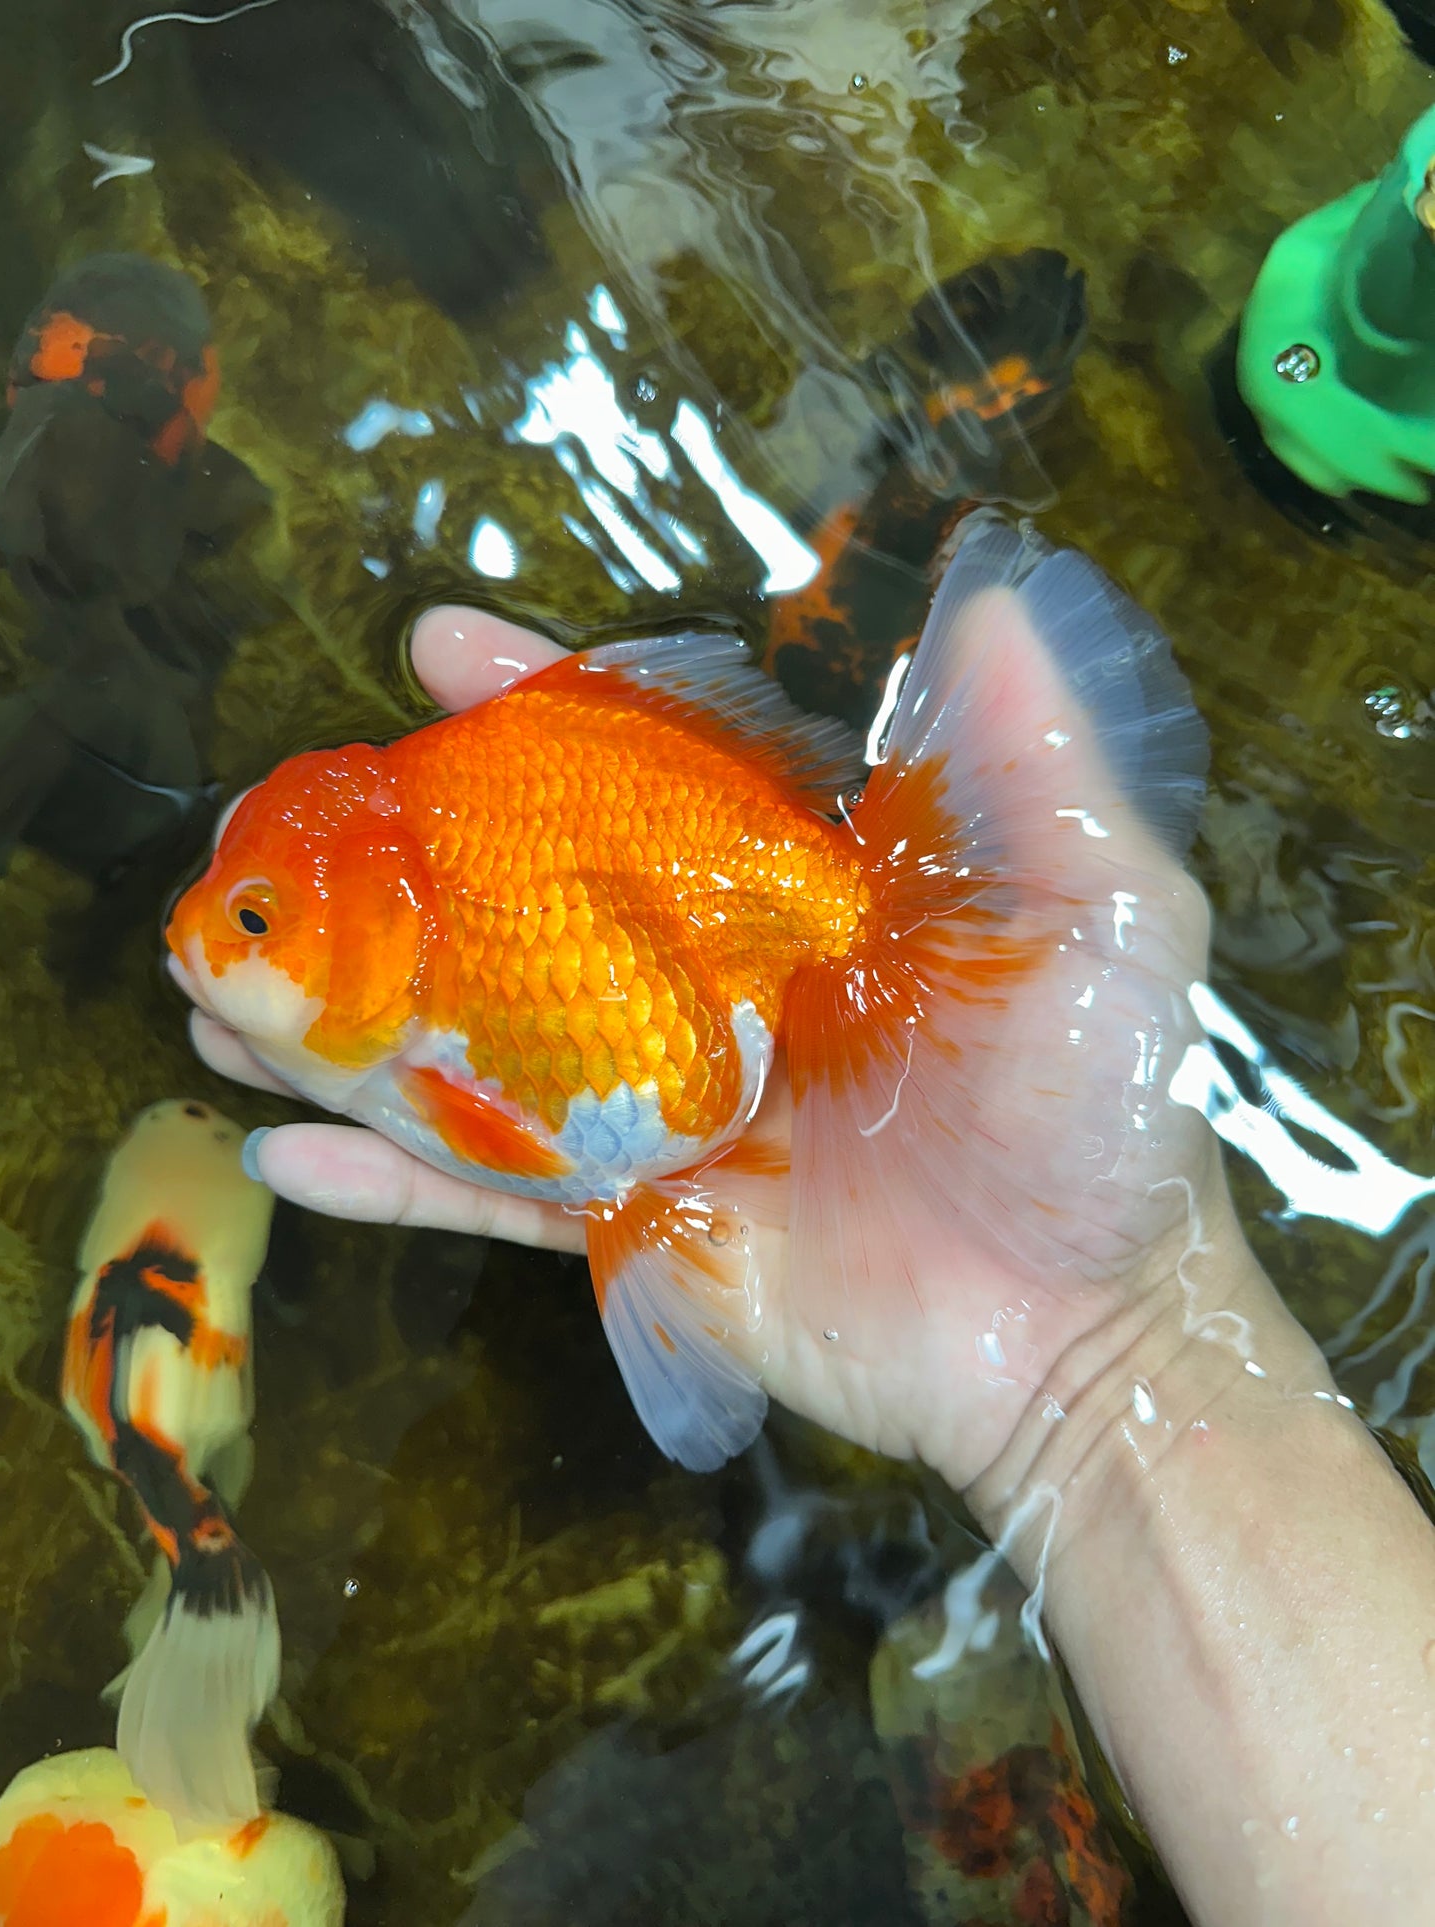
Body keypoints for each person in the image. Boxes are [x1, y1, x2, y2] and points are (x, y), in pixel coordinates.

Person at [189, 599, 1435, 1927]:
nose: (211, 940)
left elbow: (518, 1124)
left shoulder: (474, 986)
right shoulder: (409, 959)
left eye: (253, 920)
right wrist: (1116, 1365)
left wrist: (1107, 1343)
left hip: (752, 992)